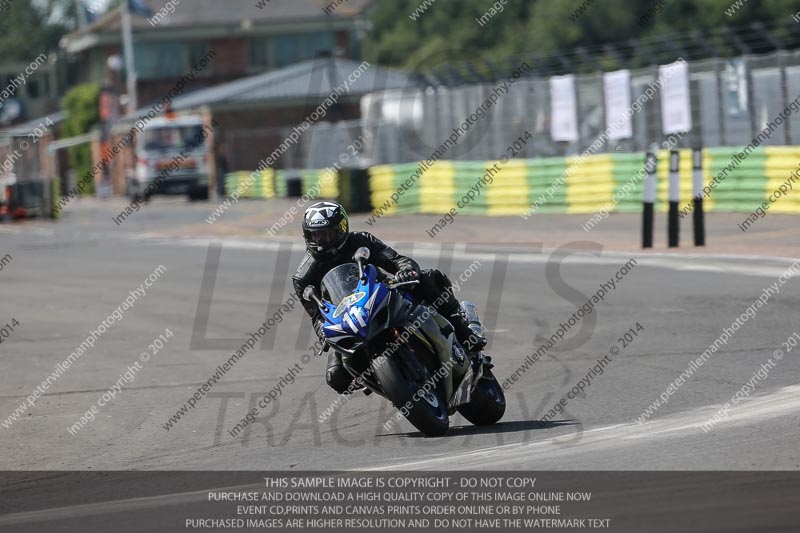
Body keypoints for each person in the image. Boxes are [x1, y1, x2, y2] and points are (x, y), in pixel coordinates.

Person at [292, 201, 487, 394]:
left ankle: (464, 331)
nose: (323, 241)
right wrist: (323, 334)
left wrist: (406, 270)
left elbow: (396, 260)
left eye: (328, 233)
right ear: (307, 236)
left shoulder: (361, 240)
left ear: (342, 229)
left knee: (429, 278)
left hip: (381, 293)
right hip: (348, 321)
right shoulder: (303, 277)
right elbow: (317, 317)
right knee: (336, 377)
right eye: (316, 235)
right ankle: (385, 381)